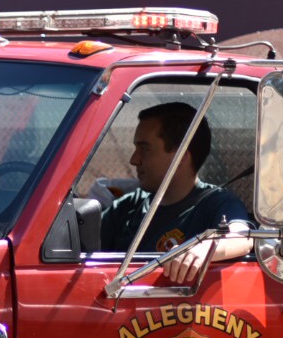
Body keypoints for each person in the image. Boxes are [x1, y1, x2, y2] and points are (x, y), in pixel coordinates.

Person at [101, 102, 253, 286]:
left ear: (180, 157)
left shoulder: (217, 203)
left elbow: (241, 237)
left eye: (145, 149)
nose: (134, 160)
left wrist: (203, 248)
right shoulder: (130, 206)